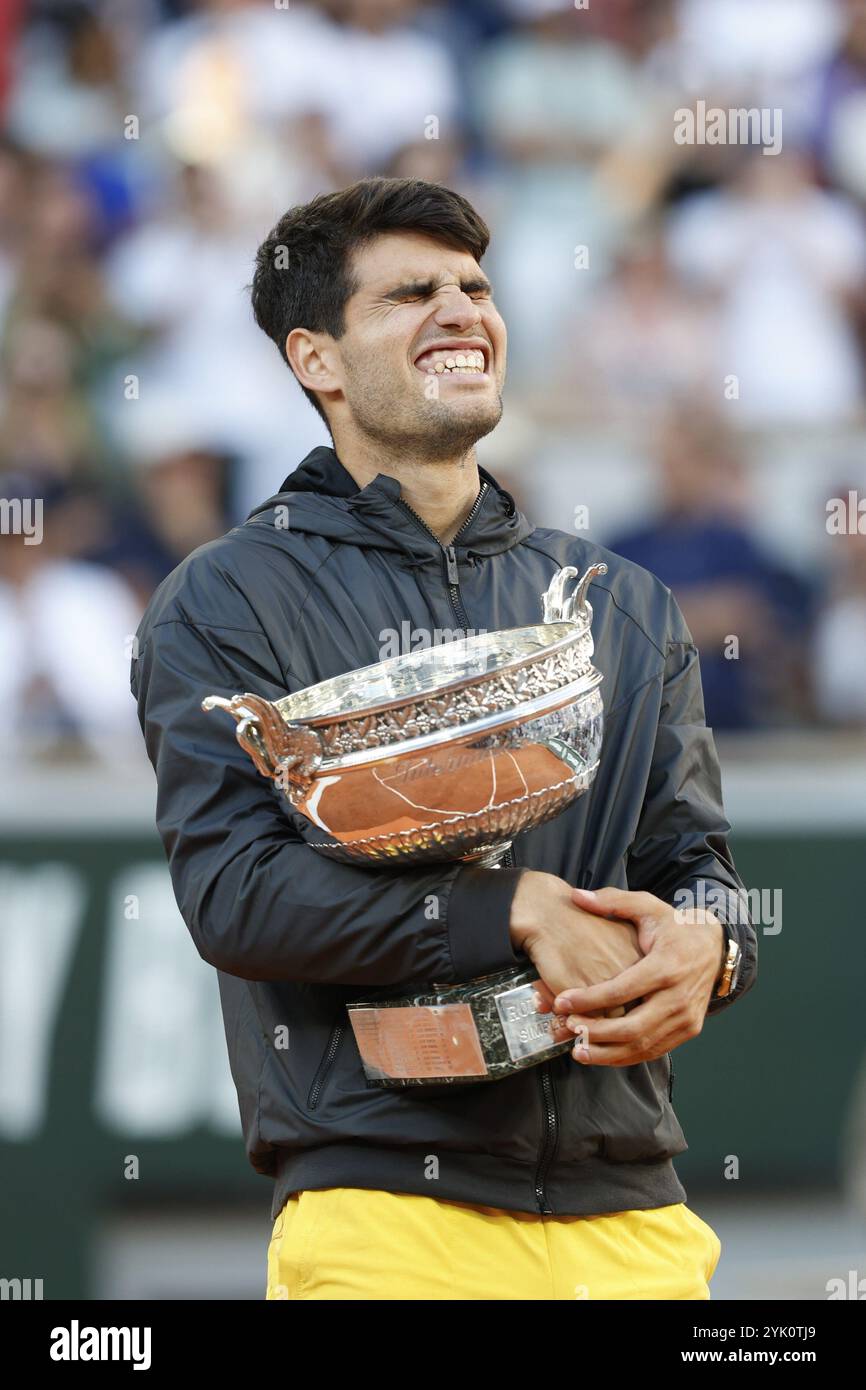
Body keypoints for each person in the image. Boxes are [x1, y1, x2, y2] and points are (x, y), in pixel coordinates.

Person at [131, 176, 757, 1301]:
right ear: (315, 359)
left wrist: (712, 952)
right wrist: (504, 907)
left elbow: (692, 868)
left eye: (474, 285)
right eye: (410, 292)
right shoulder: (225, 598)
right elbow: (236, 893)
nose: (461, 309)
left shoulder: (622, 600)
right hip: (386, 1220)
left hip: (640, 1221)